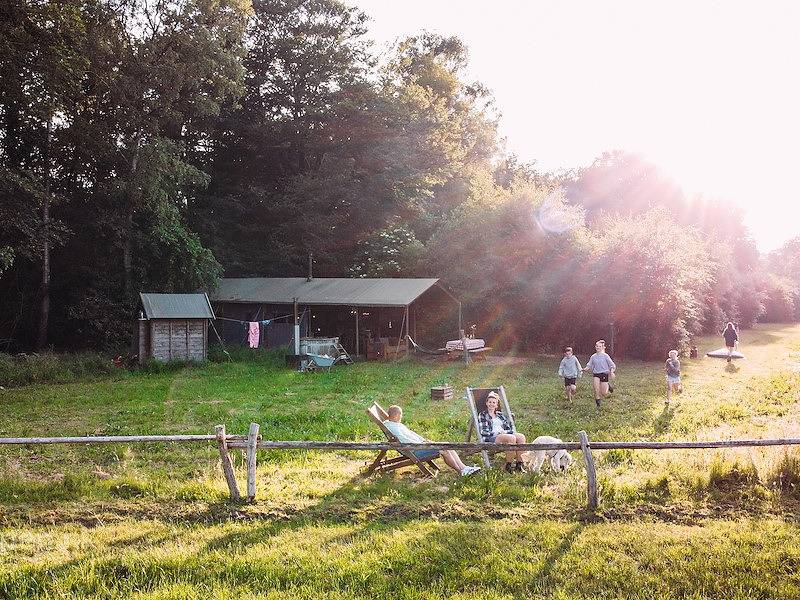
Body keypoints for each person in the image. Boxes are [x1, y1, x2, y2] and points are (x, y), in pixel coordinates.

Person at [383, 405, 481, 476]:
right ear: (396, 415)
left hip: (419, 446)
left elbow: (411, 434)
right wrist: (423, 444)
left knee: (447, 445)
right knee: (444, 450)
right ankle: (461, 472)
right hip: (415, 450)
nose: (401, 417)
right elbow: (405, 440)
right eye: (401, 414)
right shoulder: (393, 427)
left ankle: (464, 468)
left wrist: (424, 440)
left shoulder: (396, 424)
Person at [477, 391, 527, 473]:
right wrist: (498, 433)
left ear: (496, 405)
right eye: (490, 402)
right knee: (511, 438)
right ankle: (508, 465)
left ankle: (519, 464)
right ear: (486, 403)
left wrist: (505, 432)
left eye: (494, 402)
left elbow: (510, 429)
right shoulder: (482, 415)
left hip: (504, 435)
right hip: (491, 437)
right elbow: (483, 432)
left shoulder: (500, 415)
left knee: (521, 437)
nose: (491, 404)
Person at [583, 340, 617, 408]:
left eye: (600, 346)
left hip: (604, 374)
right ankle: (598, 405)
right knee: (596, 390)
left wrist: (612, 372)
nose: (598, 347)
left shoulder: (605, 356)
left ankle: (607, 385)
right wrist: (585, 369)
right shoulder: (593, 356)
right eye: (597, 346)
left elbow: (612, 365)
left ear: (603, 347)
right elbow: (589, 365)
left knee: (604, 393)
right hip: (596, 374)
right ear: (595, 347)